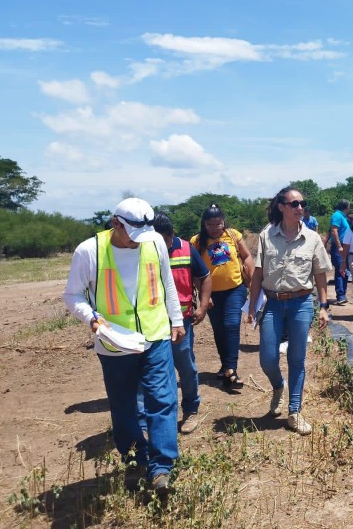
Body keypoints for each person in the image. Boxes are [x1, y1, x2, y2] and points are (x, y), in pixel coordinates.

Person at [63, 198, 184, 495]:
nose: (137, 243)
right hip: (114, 344)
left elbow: (167, 282)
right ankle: (135, 460)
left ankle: (161, 467)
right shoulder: (89, 251)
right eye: (132, 235)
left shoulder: (154, 241)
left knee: (163, 400)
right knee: (124, 406)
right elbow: (73, 296)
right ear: (116, 223)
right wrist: (91, 318)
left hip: (155, 336)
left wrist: (176, 320)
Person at [248, 187, 332, 435]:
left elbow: (320, 274)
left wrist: (324, 307)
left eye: (302, 204)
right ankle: (278, 385)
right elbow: (258, 274)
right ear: (282, 207)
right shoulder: (267, 236)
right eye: (294, 204)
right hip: (272, 303)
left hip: (301, 303)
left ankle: (294, 412)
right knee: (268, 358)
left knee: (297, 358)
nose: (299, 209)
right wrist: (252, 306)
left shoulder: (313, 238)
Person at [152, 212, 212, 434]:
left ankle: (191, 410)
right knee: (156, 371)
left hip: (181, 321)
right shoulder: (142, 251)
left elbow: (205, 276)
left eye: (163, 241)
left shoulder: (187, 249)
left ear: (171, 235)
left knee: (185, 366)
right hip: (152, 323)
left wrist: (203, 306)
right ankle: (161, 415)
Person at [191, 204, 254, 391]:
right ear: (204, 224)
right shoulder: (196, 241)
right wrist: (203, 295)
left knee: (231, 324)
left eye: (218, 223)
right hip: (210, 294)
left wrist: (250, 278)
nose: (215, 228)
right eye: (210, 224)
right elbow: (194, 271)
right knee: (219, 329)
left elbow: (247, 256)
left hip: (235, 288)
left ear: (223, 221)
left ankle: (231, 370)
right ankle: (225, 365)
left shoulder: (233, 235)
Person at [329, 199, 351, 305]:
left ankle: (343, 294)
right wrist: (339, 246)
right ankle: (340, 295)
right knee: (340, 269)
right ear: (347, 207)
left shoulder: (343, 217)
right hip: (339, 247)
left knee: (345, 271)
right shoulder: (337, 216)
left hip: (345, 246)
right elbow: (334, 231)